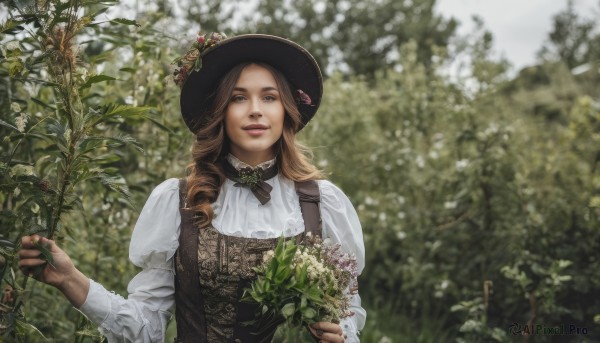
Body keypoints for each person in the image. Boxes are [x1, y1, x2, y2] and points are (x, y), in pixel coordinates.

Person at [18, 33, 365, 342]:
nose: (256, 111)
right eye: (239, 98)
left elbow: (347, 314)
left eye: (270, 97)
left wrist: (340, 336)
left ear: (286, 110)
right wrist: (70, 279)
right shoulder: (178, 201)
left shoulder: (322, 203)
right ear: (220, 111)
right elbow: (143, 329)